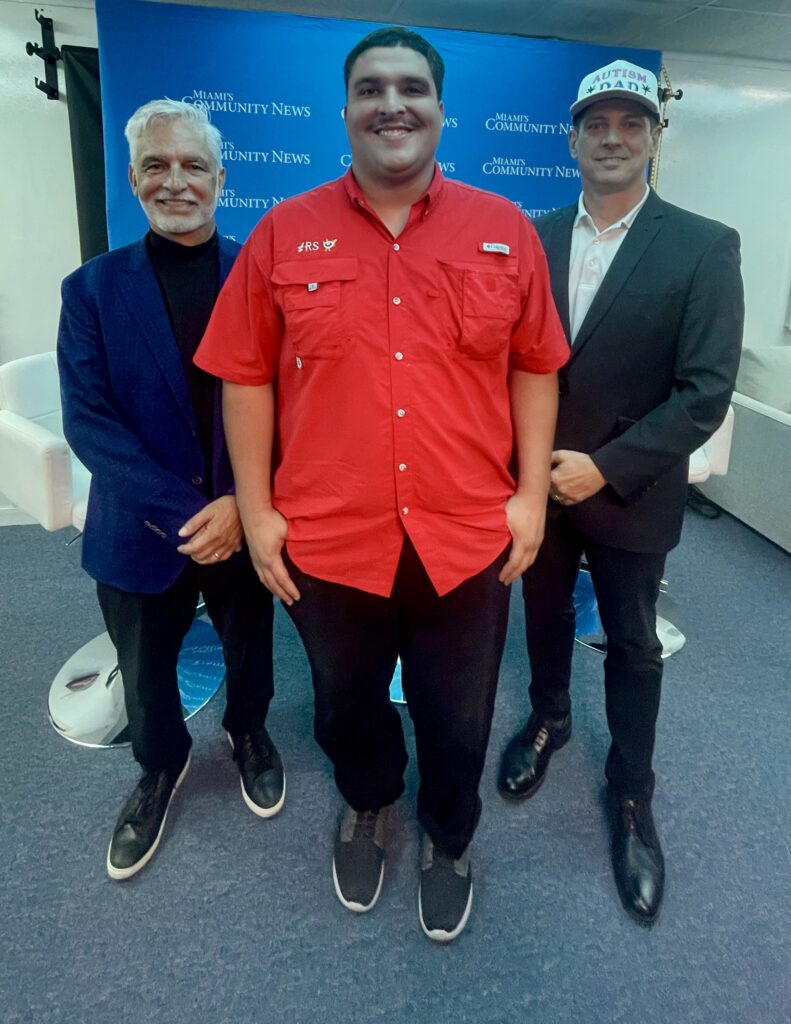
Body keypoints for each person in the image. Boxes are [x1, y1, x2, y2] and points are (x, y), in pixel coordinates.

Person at [195, 27, 568, 941]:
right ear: (345, 109)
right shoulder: (284, 231)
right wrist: (254, 508)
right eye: (370, 89)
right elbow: (243, 375)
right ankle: (368, 802)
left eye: (411, 88)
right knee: (343, 701)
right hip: (327, 535)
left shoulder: (504, 229)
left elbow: (534, 364)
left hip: (465, 530)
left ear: (442, 110)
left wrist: (527, 496)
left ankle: (449, 834)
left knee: (459, 710)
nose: (390, 104)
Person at [497, 60, 744, 923]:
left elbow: (704, 390)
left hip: (629, 489)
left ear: (652, 139)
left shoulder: (703, 244)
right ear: (570, 140)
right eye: (595, 122)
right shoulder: (530, 234)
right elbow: (508, 364)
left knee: (634, 644)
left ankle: (632, 795)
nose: (612, 136)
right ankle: (548, 719)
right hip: (536, 485)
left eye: (630, 123)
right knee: (544, 615)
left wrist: (601, 465)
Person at [57, 100, 284, 882]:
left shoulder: (267, 276)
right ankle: (158, 769)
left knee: (250, 648)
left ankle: (249, 732)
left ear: (221, 178)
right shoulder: (89, 291)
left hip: (243, 514)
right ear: (132, 178)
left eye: (193, 165)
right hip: (143, 526)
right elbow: (88, 423)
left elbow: (298, 403)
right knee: (147, 671)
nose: (175, 181)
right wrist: (192, 515)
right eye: (157, 165)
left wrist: (240, 508)